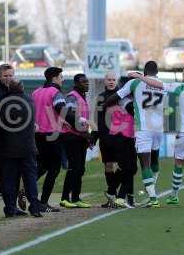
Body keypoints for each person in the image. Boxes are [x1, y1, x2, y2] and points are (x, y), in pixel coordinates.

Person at [129, 64, 184, 208]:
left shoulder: (180, 87)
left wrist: (140, 77)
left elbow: (156, 83)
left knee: (179, 164)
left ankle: (174, 195)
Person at [106, 61, 165, 208]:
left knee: (144, 163)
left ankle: (153, 198)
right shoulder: (162, 84)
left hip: (144, 128)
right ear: (156, 72)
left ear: (144, 72)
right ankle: (151, 186)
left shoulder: (135, 83)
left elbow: (115, 97)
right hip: (158, 127)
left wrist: (108, 103)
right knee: (155, 159)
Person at [0, 63, 26, 213]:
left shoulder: (15, 90)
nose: (8, 78)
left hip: (12, 137)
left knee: (13, 171)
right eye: (5, 76)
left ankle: (11, 205)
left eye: (10, 75)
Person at [0, 80, 42, 217]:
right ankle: (34, 207)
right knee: (30, 179)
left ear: (9, 88)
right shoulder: (29, 100)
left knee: (9, 180)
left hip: (8, 148)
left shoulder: (3, 102)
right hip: (28, 146)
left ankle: (10, 208)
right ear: (22, 87)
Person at [32, 67, 73, 212]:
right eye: (61, 77)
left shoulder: (36, 92)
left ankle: (25, 188)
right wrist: (76, 123)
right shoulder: (55, 92)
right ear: (54, 78)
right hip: (52, 135)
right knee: (54, 169)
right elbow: (61, 109)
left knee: (42, 166)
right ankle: (43, 203)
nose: (62, 80)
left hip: (38, 135)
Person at [60, 74, 92, 208]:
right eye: (83, 82)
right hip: (71, 136)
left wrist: (86, 134)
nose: (87, 84)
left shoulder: (82, 97)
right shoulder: (72, 96)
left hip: (80, 136)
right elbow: (70, 115)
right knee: (74, 167)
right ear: (76, 83)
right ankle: (64, 198)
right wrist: (84, 132)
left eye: (87, 82)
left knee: (80, 169)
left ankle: (76, 198)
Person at [92, 71, 123, 207]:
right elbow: (98, 119)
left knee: (123, 166)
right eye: (109, 79)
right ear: (105, 81)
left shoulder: (122, 96)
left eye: (113, 79)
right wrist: (96, 136)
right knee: (108, 166)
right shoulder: (100, 98)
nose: (111, 82)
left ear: (116, 81)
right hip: (106, 137)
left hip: (120, 137)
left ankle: (112, 192)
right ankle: (112, 197)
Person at [110, 76, 137, 208]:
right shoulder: (124, 99)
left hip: (126, 136)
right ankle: (119, 196)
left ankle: (112, 191)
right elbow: (132, 110)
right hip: (122, 136)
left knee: (128, 168)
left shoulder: (125, 98)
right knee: (130, 168)